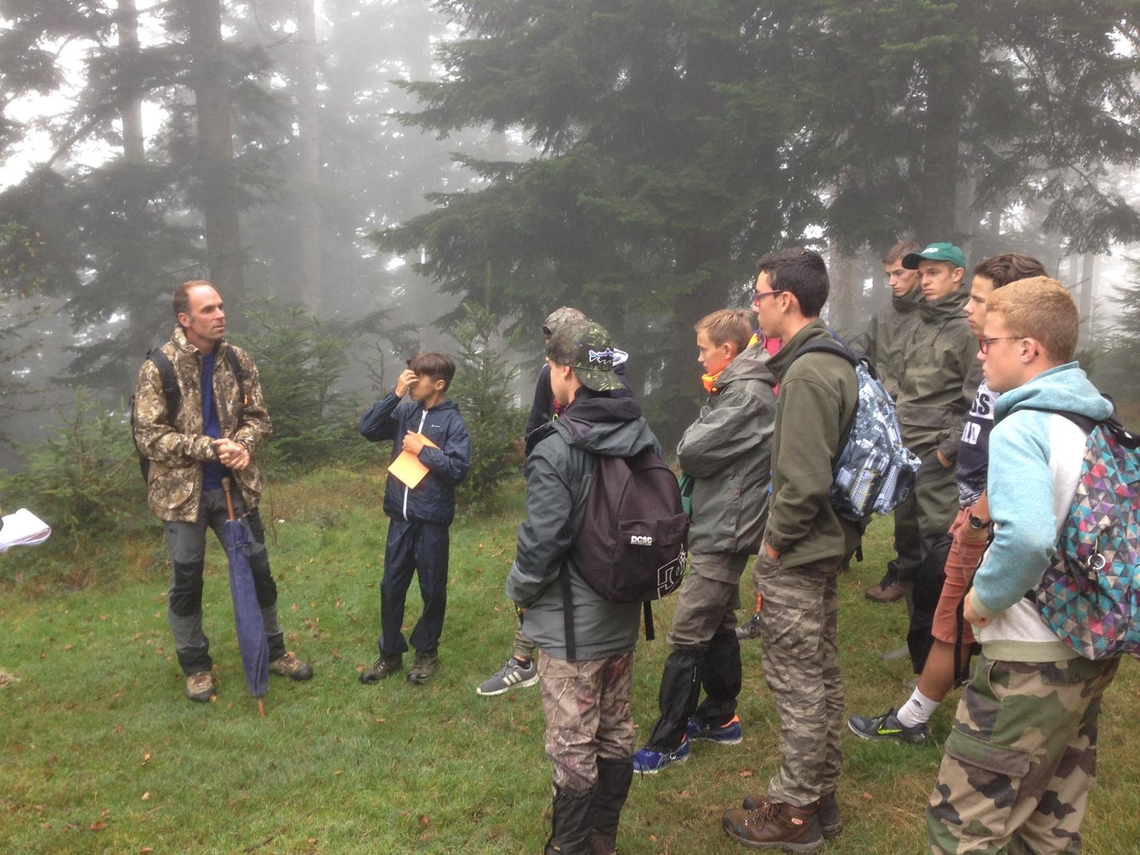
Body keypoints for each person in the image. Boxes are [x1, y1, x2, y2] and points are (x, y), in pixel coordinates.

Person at [927, 276, 1119, 853]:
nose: (981, 352)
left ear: (1028, 347)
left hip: (1029, 660)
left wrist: (979, 602)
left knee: (962, 828)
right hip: (1086, 647)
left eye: (990, 342)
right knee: (1049, 821)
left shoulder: (1021, 427)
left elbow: (1029, 539)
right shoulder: (1092, 423)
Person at [849, 253, 1048, 745]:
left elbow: (1003, 445)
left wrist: (948, 462)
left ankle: (945, 711)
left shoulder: (1022, 379)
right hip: (961, 499)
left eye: (979, 299)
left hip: (979, 512)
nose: (968, 308)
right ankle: (927, 693)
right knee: (938, 588)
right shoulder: (980, 353)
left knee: (966, 609)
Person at [722, 249, 859, 852]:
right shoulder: (835, 359)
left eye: (759, 296)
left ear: (786, 301)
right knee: (822, 676)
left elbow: (802, 483)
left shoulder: (806, 373)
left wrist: (773, 546)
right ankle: (819, 794)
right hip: (827, 543)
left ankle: (795, 813)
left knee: (798, 683)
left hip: (799, 552)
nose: (754, 307)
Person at [505, 316, 658, 855]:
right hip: (624, 609)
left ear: (567, 372)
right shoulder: (640, 432)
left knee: (572, 745)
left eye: (550, 366)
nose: (549, 375)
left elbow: (543, 541)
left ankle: (568, 848)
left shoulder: (557, 447)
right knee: (616, 729)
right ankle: (602, 841)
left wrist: (519, 588)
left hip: (573, 626)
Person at [133, 280, 312, 703]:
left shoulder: (237, 359)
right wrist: (211, 447)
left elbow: (259, 418)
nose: (219, 315)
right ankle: (196, 667)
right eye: (208, 309)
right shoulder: (158, 367)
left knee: (258, 573)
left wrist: (243, 445)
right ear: (185, 319)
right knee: (187, 580)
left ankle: (274, 651)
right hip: (182, 498)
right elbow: (149, 437)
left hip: (237, 489)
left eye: (221, 306)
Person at [632, 309, 775, 773]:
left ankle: (670, 740)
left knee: (688, 634)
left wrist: (695, 445)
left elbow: (691, 450)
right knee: (717, 624)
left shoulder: (747, 395)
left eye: (703, 349)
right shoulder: (733, 389)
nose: (698, 359)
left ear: (728, 351)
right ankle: (720, 717)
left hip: (725, 528)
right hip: (719, 520)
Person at [476, 307, 634, 697]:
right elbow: (535, 422)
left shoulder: (605, 370)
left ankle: (589, 661)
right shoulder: (550, 373)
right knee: (542, 555)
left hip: (595, 487)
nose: (547, 350)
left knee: (568, 563)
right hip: (558, 473)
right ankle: (522, 660)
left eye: (553, 340)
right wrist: (541, 462)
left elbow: (619, 424)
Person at [891, 242, 983, 667]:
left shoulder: (968, 328)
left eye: (933, 273)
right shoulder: (917, 323)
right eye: (921, 274)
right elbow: (905, 384)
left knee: (938, 552)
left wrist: (947, 453)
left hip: (937, 458)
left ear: (957, 276)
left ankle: (947, 649)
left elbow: (979, 401)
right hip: (905, 454)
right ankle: (918, 640)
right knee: (908, 547)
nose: (924, 281)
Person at [358, 351, 471, 685]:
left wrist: (423, 451)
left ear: (438, 384)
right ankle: (389, 653)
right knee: (391, 587)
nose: (410, 379)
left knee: (432, 590)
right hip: (400, 519)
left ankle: (426, 653)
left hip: (432, 521)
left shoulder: (453, 423)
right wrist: (394, 395)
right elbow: (367, 428)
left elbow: (458, 469)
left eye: (417, 376)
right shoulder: (405, 412)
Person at [860, 239, 924, 604]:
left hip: (920, 418)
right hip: (886, 416)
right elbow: (864, 353)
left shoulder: (934, 316)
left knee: (913, 501)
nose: (893, 281)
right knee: (877, 487)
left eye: (899, 273)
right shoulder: (884, 315)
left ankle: (910, 571)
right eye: (888, 275)